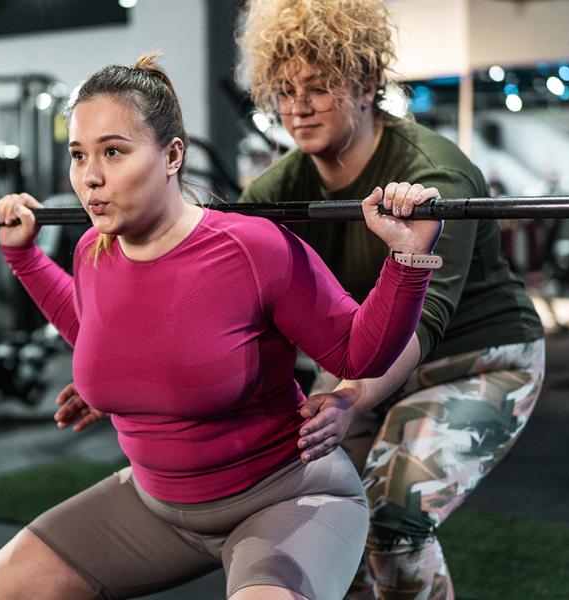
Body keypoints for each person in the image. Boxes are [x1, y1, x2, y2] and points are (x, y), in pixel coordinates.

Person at [0, 52, 443, 600]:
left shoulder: (253, 247)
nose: (91, 177)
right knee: (13, 582)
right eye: (78, 155)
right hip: (156, 507)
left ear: (173, 155)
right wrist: (24, 257)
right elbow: (93, 331)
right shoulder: (92, 249)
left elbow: (356, 355)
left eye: (113, 151)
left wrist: (407, 260)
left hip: (284, 496)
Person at [234, 1, 546, 598]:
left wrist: (349, 398)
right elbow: (221, 289)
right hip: (366, 361)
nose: (298, 108)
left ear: (365, 85)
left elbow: (423, 321)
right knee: (319, 519)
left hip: (477, 360)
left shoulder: (433, 174)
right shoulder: (276, 189)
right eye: (286, 91)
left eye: (318, 88)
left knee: (392, 515)